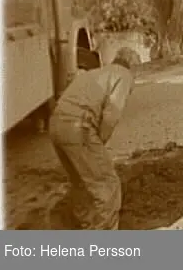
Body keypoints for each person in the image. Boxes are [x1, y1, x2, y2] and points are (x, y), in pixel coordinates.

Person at [48, 47, 141, 230]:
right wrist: (99, 141)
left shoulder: (95, 73)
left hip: (56, 125)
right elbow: (112, 114)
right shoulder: (123, 75)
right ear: (132, 65)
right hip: (78, 127)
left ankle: (84, 224)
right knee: (107, 184)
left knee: (81, 181)